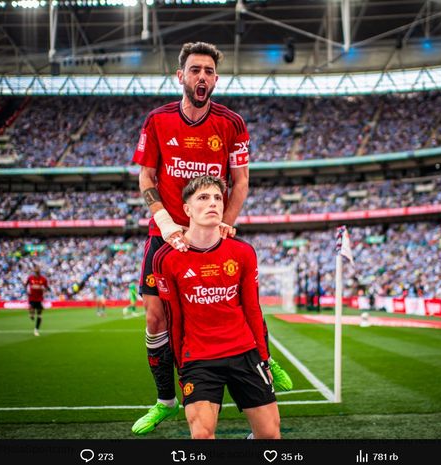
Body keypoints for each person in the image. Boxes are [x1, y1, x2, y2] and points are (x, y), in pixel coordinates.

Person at [131, 41, 291, 435]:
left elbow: (241, 181)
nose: (201, 76)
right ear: (180, 76)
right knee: (156, 318)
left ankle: (264, 360)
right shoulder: (157, 120)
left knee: (237, 300)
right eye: (195, 70)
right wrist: (165, 221)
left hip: (211, 226)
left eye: (208, 71)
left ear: (216, 79)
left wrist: (226, 224)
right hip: (166, 232)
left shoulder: (232, 124)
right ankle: (165, 401)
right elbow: (146, 176)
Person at [154, 176, 280, 439]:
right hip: (198, 359)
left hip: (244, 352)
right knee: (201, 436)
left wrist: (263, 357)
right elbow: (173, 317)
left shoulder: (243, 252)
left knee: (269, 436)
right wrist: (181, 366)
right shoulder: (167, 259)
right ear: (187, 209)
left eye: (217, 198)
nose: (212, 203)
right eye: (203, 197)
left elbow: (253, 310)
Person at [25, 265, 50, 336]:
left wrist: (44, 289)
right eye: (36, 269)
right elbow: (26, 285)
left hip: (39, 299)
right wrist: (27, 291)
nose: (37, 270)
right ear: (34, 270)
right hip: (32, 298)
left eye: (38, 269)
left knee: (39, 314)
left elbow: (47, 288)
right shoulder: (30, 278)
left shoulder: (43, 279)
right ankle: (31, 314)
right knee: (31, 309)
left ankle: (36, 329)